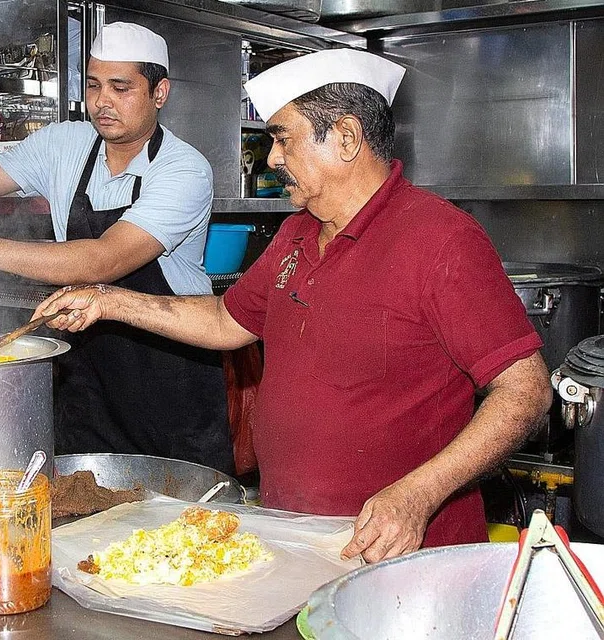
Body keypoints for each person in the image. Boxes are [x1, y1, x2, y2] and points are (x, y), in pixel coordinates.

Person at [32, 49, 552, 563]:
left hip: (406, 557)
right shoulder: (296, 233)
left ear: (346, 138)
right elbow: (225, 321)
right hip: (297, 542)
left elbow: (526, 391)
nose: (273, 158)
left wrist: (419, 494)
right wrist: (108, 301)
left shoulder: (441, 240)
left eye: (282, 138)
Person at [0, 23, 234, 474]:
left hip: (170, 377)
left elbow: (103, 259)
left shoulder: (185, 170)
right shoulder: (64, 143)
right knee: (84, 518)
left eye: (121, 88)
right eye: (93, 85)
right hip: (89, 377)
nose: (102, 101)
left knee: (182, 527)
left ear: (159, 92)